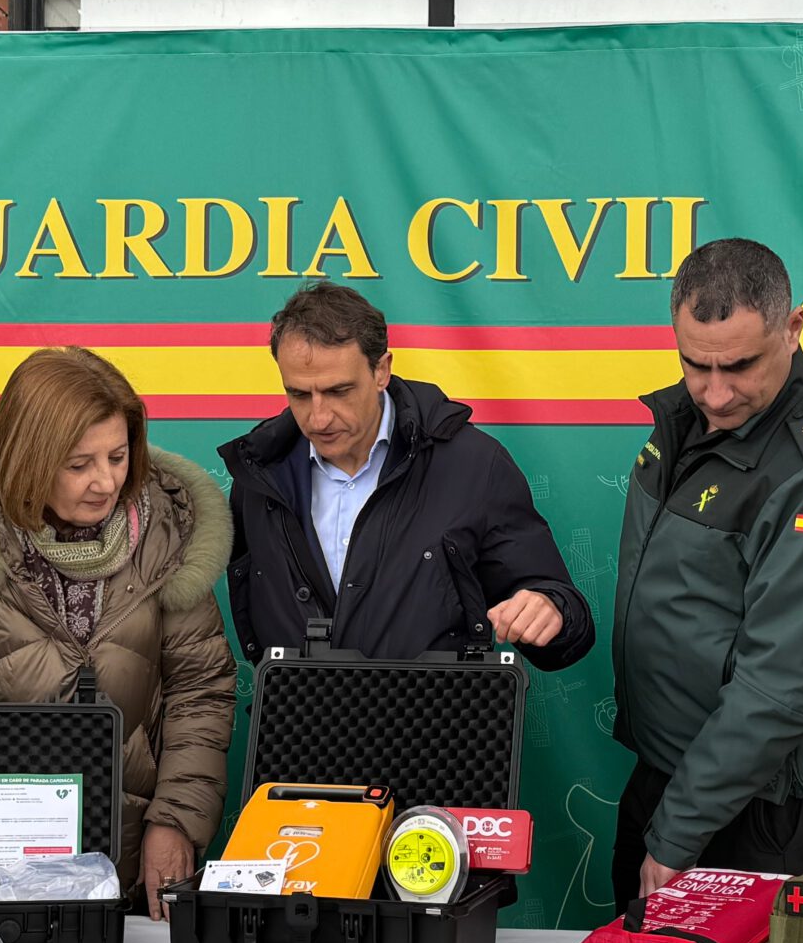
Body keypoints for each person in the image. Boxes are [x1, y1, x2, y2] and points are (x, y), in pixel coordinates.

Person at [0, 347, 236, 918]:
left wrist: (175, 821)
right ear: (28, 459)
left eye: (118, 457)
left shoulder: (169, 540)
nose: (105, 482)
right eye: (78, 465)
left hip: (125, 867)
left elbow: (201, 693)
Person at [608, 238, 803, 907]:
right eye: (694, 364)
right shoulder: (683, 420)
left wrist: (677, 832)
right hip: (676, 775)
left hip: (762, 807)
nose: (714, 391)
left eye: (738, 366)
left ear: (792, 330)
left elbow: (779, 687)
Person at [219, 282, 594, 669]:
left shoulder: (474, 465)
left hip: (438, 725)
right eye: (298, 394)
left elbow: (561, 615)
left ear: (381, 370)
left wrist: (550, 609)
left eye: (339, 391)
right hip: (293, 726)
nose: (318, 417)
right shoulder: (258, 473)